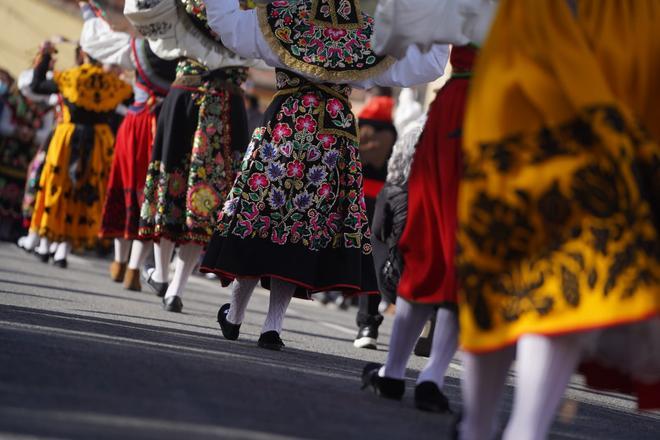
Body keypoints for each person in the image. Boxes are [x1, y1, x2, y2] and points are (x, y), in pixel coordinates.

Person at [376, 0, 660, 438]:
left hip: (539, 74)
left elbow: (405, 25)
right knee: (549, 257)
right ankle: (502, 423)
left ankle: (488, 422)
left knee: (527, 259)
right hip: (567, 70)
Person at [199, 0, 449, 350]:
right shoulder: (366, 27)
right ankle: (272, 325)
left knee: (260, 220)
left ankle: (236, 314)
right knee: (300, 228)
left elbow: (226, 25)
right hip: (331, 135)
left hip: (286, 126)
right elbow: (429, 65)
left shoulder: (286, 12)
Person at [362, 45, 477, 415]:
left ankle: (394, 371)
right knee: (471, 250)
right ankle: (433, 377)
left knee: (428, 241)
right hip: (512, 111)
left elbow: (411, 26)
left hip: (461, 108)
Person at [125, 0, 256, 312]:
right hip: (227, 101)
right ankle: (175, 287)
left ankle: (161, 271)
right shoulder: (253, 9)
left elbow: (142, 12)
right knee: (206, 194)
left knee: (170, 181)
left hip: (187, 94)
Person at [79, 1, 178, 291]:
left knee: (127, 191)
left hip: (135, 125)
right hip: (165, 126)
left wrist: (89, 11)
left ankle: (121, 263)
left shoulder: (138, 48)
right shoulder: (186, 50)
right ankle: (134, 267)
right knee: (148, 197)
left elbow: (97, 39)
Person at [28, 32, 132, 267]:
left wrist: (44, 56)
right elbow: (135, 100)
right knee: (83, 192)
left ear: (84, 53)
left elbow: (37, 85)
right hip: (98, 143)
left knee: (58, 189)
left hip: (67, 139)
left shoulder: (71, 77)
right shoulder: (115, 85)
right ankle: (62, 250)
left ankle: (47, 243)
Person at [353, 89, 397, 350]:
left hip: (354, 194)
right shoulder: (393, 130)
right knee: (373, 260)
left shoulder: (358, 124)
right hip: (381, 200)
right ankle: (368, 323)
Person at [0, 69, 40, 242]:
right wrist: (17, 131)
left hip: (26, 158)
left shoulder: (42, 108)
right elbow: (4, 125)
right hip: (8, 153)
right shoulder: (12, 101)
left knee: (19, 195)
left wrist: (32, 135)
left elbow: (45, 132)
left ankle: (11, 229)